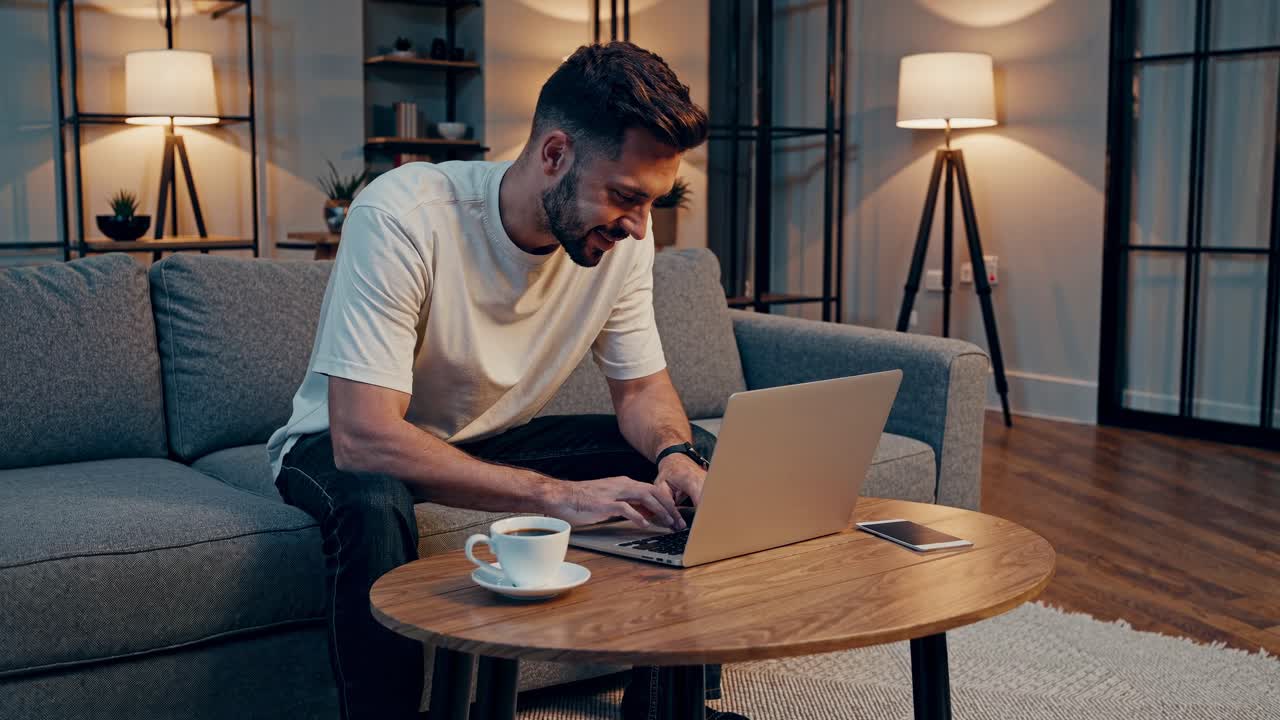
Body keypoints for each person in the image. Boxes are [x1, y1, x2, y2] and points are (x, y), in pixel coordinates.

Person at [267, 42, 745, 720]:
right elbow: (363, 438)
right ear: (554, 155)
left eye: (653, 202)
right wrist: (560, 496)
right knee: (372, 502)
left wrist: (674, 457)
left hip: (488, 436)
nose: (641, 227)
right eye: (625, 197)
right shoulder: (404, 214)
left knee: (690, 456)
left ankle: (664, 707)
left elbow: (641, 392)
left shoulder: (624, 245)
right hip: (339, 443)